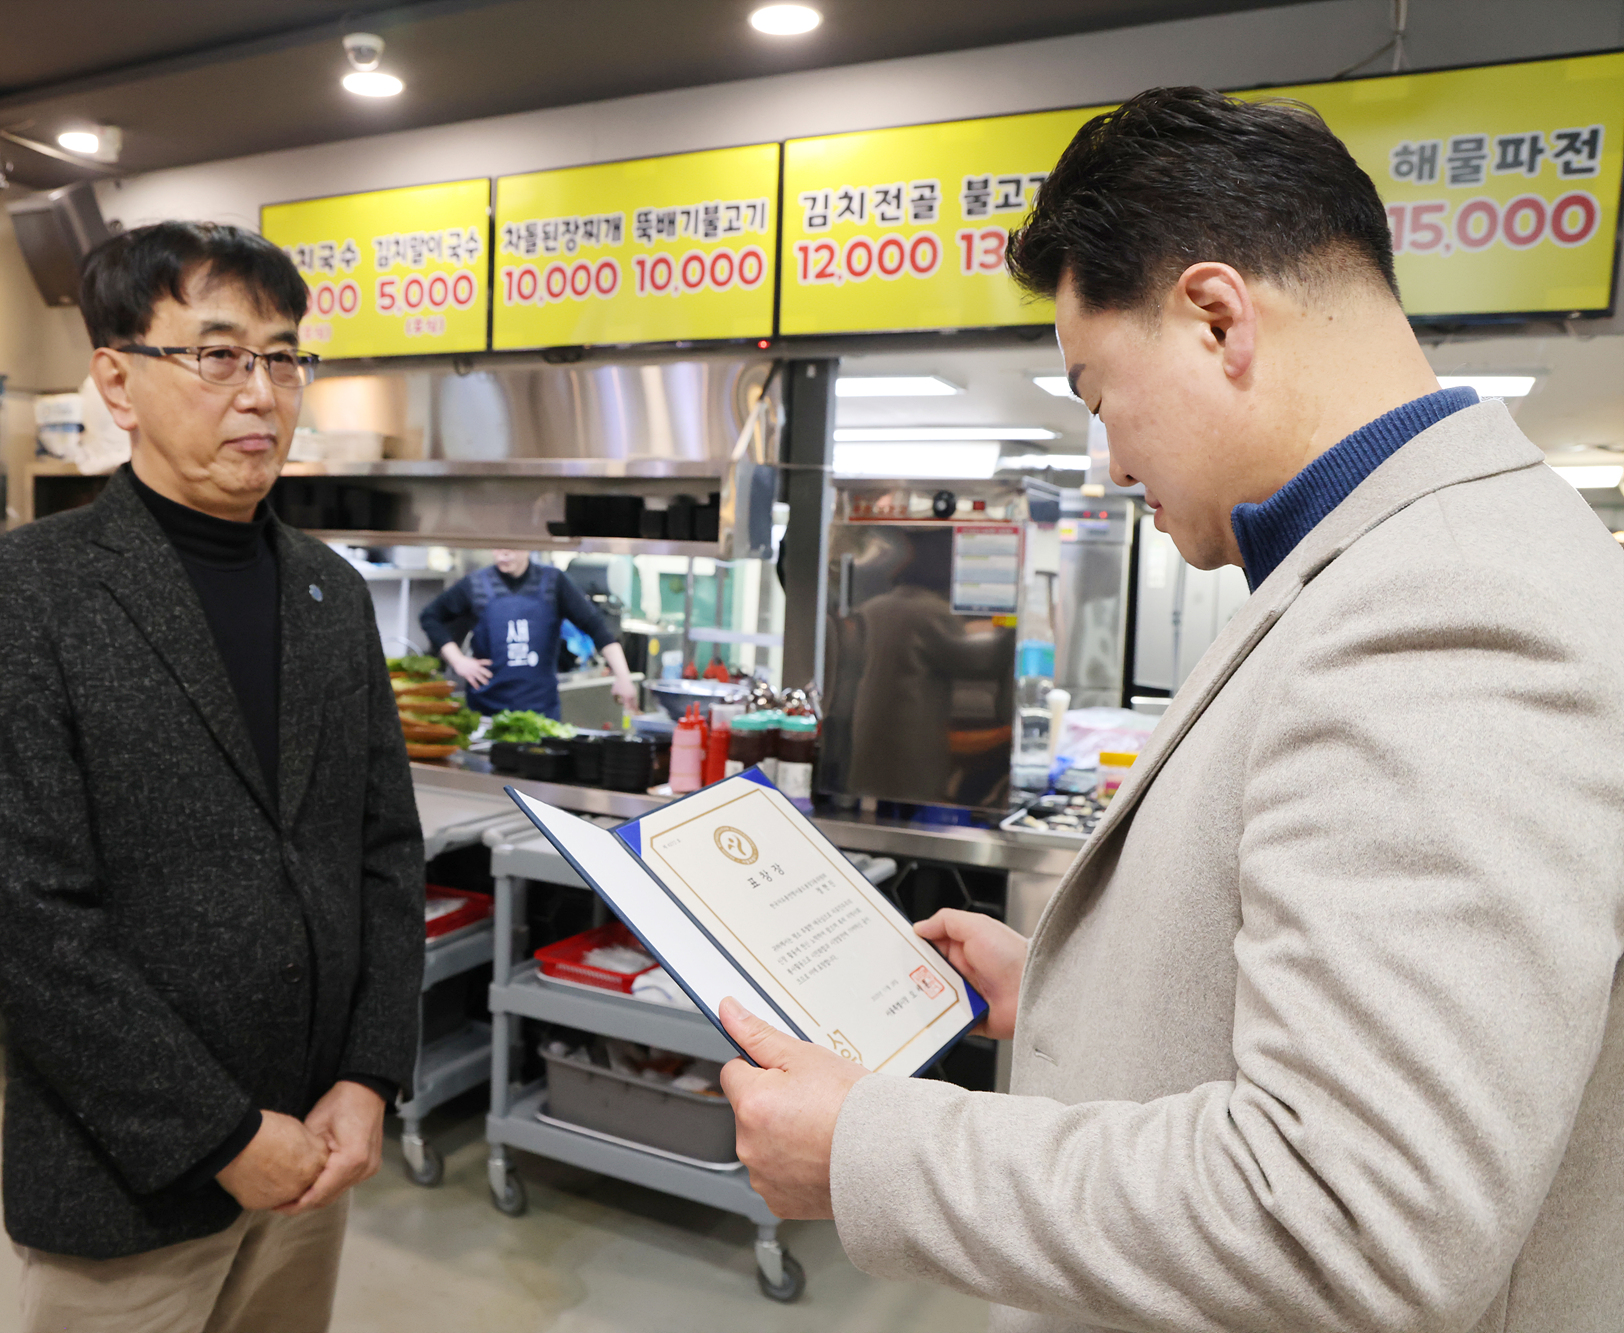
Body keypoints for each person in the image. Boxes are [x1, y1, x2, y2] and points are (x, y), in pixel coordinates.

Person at [716, 87, 1624, 1333]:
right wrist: (1068, 990)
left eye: (1096, 395)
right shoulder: (1365, 565)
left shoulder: (1448, 608)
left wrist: (869, 1150)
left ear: (1214, 318)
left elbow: (1345, 1223)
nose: (1113, 462)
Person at [0, 221, 424, 1333]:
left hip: (314, 1151)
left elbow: (382, 853)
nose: (259, 392)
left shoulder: (330, 594)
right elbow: (28, 918)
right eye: (216, 354)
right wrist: (219, 1136)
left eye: (283, 355)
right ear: (117, 378)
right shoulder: (22, 594)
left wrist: (366, 1072)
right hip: (132, 1169)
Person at [419, 548, 637, 718]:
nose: (504, 553)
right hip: (486, 710)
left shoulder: (554, 581)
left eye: (512, 547)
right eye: (498, 547)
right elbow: (430, 617)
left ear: (529, 546)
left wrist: (623, 676)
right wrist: (457, 660)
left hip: (540, 711)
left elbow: (596, 627)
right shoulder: (475, 584)